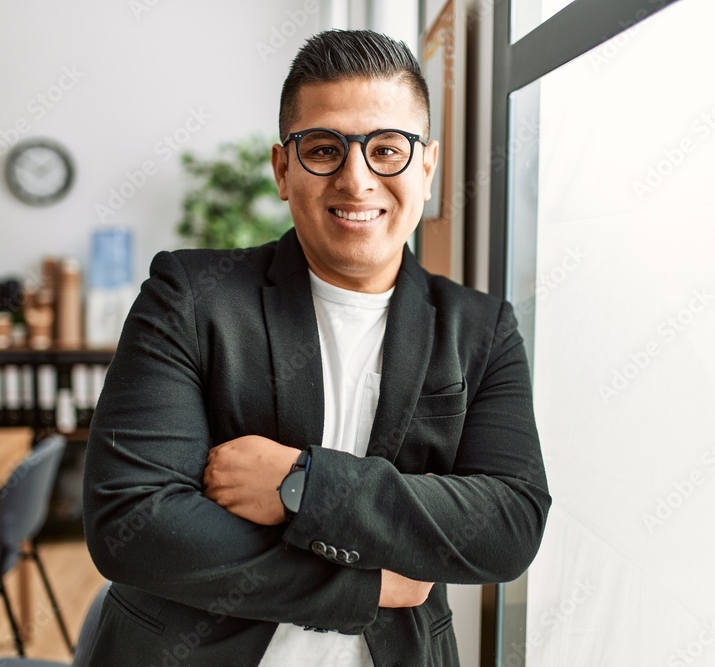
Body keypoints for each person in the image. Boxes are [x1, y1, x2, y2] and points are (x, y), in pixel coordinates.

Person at [82, 29, 549, 667]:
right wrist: (360, 587)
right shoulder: (192, 296)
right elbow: (134, 524)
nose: (357, 181)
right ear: (283, 169)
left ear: (428, 166)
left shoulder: (480, 327)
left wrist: (304, 483)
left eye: (388, 149)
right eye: (325, 149)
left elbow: (507, 526)